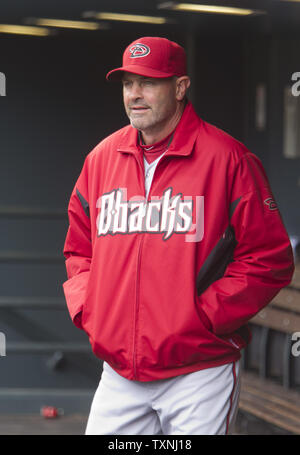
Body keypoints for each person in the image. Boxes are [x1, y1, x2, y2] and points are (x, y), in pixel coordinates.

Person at [62, 36, 294, 435]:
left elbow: (269, 259)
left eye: (148, 83)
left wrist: (202, 317)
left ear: (181, 87)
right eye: (127, 84)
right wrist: (92, 311)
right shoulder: (100, 160)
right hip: (121, 373)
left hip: (197, 371)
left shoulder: (228, 160)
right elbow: (79, 249)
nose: (135, 94)